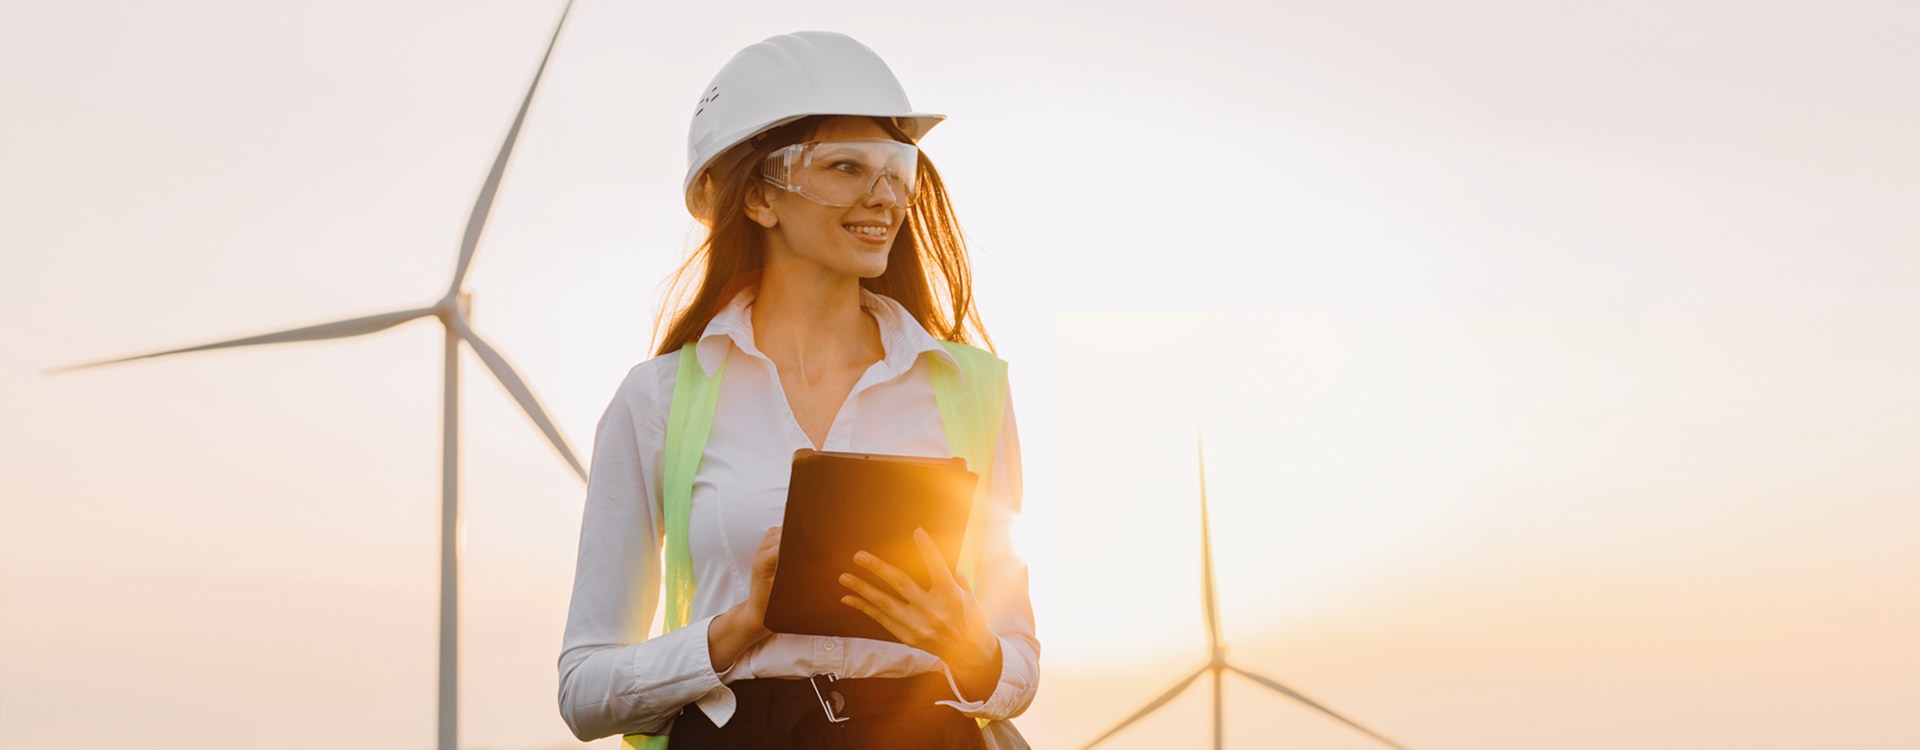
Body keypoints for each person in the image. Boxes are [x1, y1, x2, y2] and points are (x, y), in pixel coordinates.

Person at [556, 31, 1037, 749]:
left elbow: (1019, 669)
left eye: (897, 169)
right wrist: (739, 628)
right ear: (758, 198)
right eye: (846, 168)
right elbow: (584, 692)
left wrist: (966, 641)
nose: (885, 198)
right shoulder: (656, 402)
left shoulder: (969, 390)